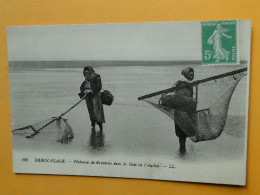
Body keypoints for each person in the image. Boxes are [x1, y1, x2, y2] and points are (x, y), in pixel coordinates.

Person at [173, 67, 196, 154]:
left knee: (185, 133)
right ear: (186, 74)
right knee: (182, 135)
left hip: (186, 112)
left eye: (193, 74)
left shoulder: (187, 83)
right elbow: (179, 98)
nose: (191, 76)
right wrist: (191, 100)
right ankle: (182, 154)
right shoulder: (181, 84)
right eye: (190, 74)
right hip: (180, 113)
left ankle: (183, 154)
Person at [79, 66, 105, 131]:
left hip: (96, 97)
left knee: (97, 111)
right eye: (85, 73)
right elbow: (82, 87)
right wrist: (84, 91)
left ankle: (100, 126)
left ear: (91, 71)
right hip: (88, 98)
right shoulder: (86, 79)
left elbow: (99, 87)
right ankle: (93, 124)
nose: (86, 74)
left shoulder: (96, 77)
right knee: (91, 111)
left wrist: (91, 91)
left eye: (87, 72)